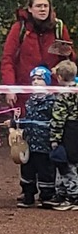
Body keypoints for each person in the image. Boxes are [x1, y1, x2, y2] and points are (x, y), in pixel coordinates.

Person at [1, 0, 73, 100]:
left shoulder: (58, 28)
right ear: (30, 9)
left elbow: (69, 62)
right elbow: (8, 59)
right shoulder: (19, 28)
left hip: (54, 91)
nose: (43, 9)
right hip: (24, 91)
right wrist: (10, 88)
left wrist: (68, 53)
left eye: (45, 6)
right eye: (38, 6)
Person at [16, 65, 56, 209]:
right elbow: (27, 119)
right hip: (29, 143)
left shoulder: (52, 102)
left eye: (39, 79)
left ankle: (47, 196)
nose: (36, 82)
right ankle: (28, 195)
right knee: (27, 170)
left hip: (44, 144)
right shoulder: (30, 100)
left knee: (45, 170)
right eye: (33, 79)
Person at [48, 59, 78, 210]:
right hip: (74, 129)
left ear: (59, 78)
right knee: (67, 163)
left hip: (68, 131)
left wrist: (54, 138)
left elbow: (58, 118)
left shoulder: (63, 95)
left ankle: (73, 196)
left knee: (67, 164)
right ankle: (62, 193)